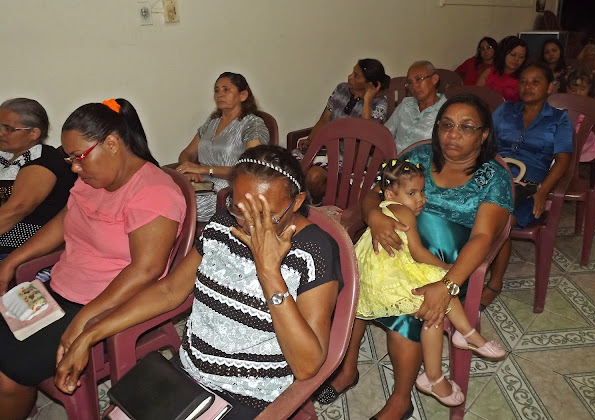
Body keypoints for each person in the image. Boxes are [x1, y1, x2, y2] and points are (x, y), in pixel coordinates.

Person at [54, 145, 342, 419]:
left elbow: (307, 366)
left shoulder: (314, 251)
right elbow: (170, 290)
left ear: (297, 202)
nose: (249, 225)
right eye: (239, 209)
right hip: (188, 374)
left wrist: (269, 273)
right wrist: (90, 334)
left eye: (267, 216)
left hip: (250, 394)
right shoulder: (222, 224)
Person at [317, 94, 513, 419]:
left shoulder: (493, 177)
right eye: (446, 125)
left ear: (483, 135)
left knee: (408, 314)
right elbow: (376, 193)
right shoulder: (419, 156)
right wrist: (374, 217)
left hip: (446, 267)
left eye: (466, 127)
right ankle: (347, 369)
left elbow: (482, 238)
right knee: (356, 287)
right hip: (396, 252)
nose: (452, 134)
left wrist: (448, 285)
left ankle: (401, 399)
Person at [0, 98, 186, 420]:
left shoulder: (154, 193)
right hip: (55, 291)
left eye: (79, 157)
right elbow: (64, 220)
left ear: (112, 144)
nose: (74, 167)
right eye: (69, 158)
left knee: (8, 376)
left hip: (103, 305)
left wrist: (85, 320)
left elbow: (146, 269)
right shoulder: (92, 180)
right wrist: (12, 260)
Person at [346, 158, 506, 409]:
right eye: (412, 193)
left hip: (371, 277)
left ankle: (463, 338)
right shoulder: (403, 212)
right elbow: (418, 252)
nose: (420, 199)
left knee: (437, 291)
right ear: (390, 194)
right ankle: (441, 367)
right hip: (387, 280)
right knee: (435, 303)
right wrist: (447, 268)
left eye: (422, 192)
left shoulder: (386, 208)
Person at [481, 63, 573, 309]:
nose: (527, 86)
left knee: (498, 222)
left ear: (550, 87)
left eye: (535, 82)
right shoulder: (505, 110)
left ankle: (494, 283)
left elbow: (563, 160)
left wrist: (543, 191)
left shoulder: (559, 119)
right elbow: (484, 142)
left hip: (530, 187)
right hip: (494, 177)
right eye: (523, 81)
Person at [177, 72, 269, 222]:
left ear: (243, 95)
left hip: (229, 192)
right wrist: (187, 169)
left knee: (174, 205)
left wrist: (203, 169)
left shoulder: (253, 124)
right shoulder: (212, 122)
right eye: (217, 90)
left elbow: (250, 169)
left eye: (226, 89)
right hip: (200, 185)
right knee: (162, 192)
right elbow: (187, 152)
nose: (220, 94)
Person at [295, 59, 390, 205]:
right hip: (326, 146)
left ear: (370, 84)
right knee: (291, 164)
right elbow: (324, 120)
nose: (350, 77)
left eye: (356, 76)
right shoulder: (341, 89)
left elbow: (367, 135)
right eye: (352, 72)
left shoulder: (380, 104)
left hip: (351, 156)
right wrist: (310, 140)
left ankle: (314, 207)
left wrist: (367, 100)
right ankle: (299, 203)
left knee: (314, 176)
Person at [0, 98, 76, 255]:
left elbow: (17, 210)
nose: (1, 133)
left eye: (8, 128)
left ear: (34, 133)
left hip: (20, 248)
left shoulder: (44, 159)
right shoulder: (5, 157)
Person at [385, 60, 448, 153]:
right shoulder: (406, 104)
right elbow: (386, 133)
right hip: (392, 159)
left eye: (419, 79)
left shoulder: (447, 111)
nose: (414, 86)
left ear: (434, 79)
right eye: (410, 82)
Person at [477, 36, 529, 102]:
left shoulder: (525, 78)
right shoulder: (489, 72)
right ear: (503, 54)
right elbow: (475, 96)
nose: (516, 59)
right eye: (513, 54)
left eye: (521, 57)